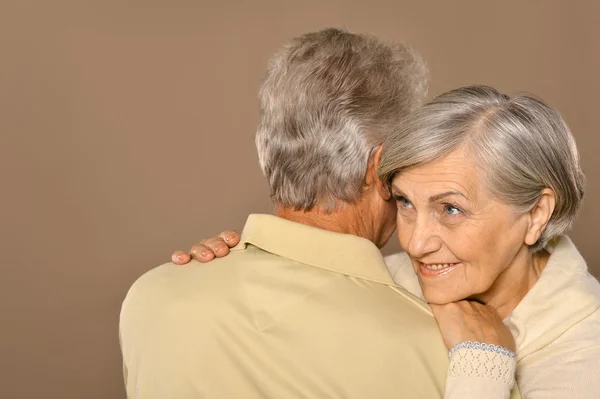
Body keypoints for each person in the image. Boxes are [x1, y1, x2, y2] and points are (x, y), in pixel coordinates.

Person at [121, 29, 522, 399]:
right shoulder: (453, 355)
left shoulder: (150, 299)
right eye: (412, 158)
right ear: (378, 169)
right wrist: (487, 367)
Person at [180, 85, 600, 398]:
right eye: (404, 202)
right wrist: (242, 262)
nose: (415, 243)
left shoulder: (586, 359)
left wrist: (483, 368)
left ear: (536, 214)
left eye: (450, 209)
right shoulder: (388, 279)